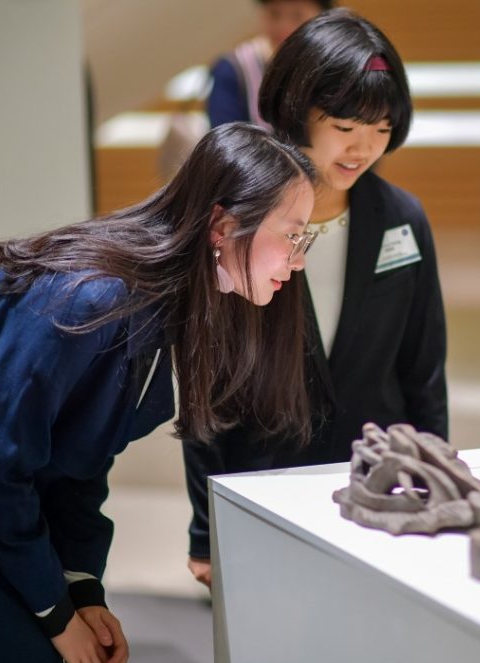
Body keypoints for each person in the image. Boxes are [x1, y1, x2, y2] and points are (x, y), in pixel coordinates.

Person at [0, 123, 316, 663]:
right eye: (293, 235)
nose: (298, 261)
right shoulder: (90, 297)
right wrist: (56, 613)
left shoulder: (167, 300)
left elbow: (81, 460)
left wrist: (81, 588)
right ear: (222, 225)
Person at [184, 9, 448, 587]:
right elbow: (207, 384)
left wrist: (435, 484)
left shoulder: (402, 219)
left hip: (380, 492)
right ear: (298, 107)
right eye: (345, 126)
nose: (363, 148)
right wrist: (205, 529)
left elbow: (424, 371)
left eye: (382, 129)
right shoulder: (241, 224)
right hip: (266, 489)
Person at [205, 0, 334, 128]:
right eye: (274, 14)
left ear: (322, 18)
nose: (283, 26)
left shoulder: (332, 68)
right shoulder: (233, 70)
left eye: (297, 15)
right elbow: (224, 134)